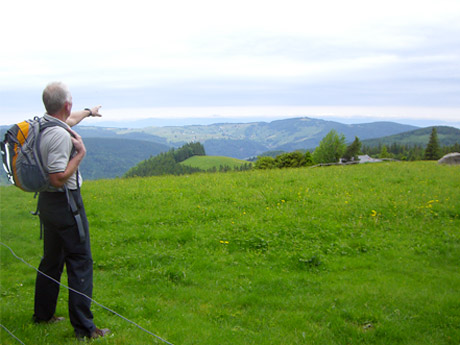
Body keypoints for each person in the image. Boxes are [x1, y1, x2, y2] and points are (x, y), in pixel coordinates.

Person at [32, 82, 110, 340]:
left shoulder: (45, 124)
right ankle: (85, 329)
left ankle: (43, 315)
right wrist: (80, 155)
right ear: (66, 105)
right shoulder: (59, 135)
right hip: (65, 202)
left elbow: (70, 120)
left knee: (52, 260)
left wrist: (89, 111)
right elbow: (57, 178)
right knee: (80, 261)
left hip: (47, 204)